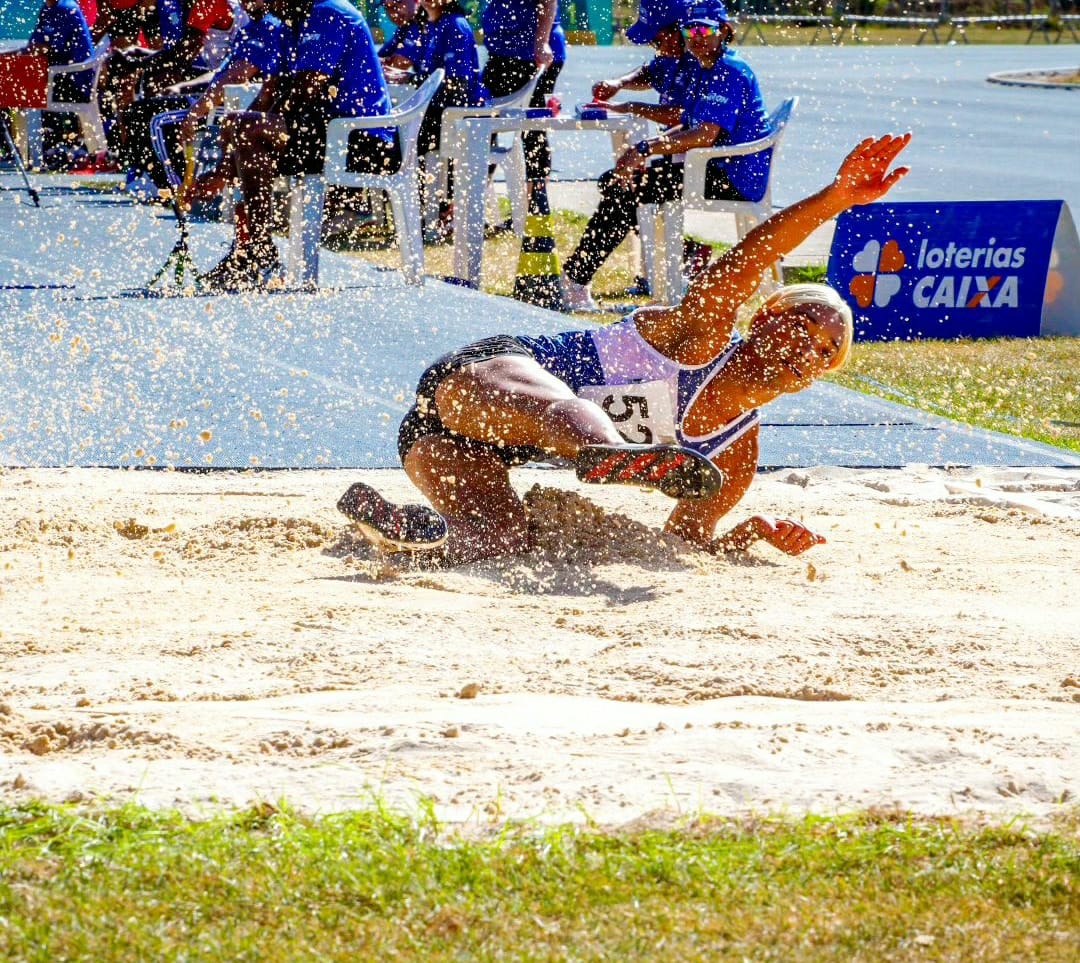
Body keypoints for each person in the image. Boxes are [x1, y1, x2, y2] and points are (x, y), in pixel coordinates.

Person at [335, 133, 911, 565]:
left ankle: (393, 530)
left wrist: (753, 531)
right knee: (565, 415)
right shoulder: (698, 336)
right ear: (763, 317)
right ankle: (608, 451)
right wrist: (834, 199)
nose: (808, 348)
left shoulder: (733, 455)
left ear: (818, 377)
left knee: (499, 539)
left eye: (826, 350)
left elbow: (684, 546)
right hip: (479, 384)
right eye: (803, 326)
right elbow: (753, 255)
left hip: (447, 443)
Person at [561, 0, 768, 312]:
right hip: (713, 166)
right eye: (690, 29)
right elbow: (689, 123)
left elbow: (702, 134)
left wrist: (644, 148)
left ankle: (576, 279)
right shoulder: (706, 64)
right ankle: (675, 261)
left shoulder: (727, 71)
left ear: (724, 31)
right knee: (619, 183)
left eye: (703, 29)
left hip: (733, 176)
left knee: (626, 189)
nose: (695, 36)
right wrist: (643, 150)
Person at [189, 0, 396, 292]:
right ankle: (254, 250)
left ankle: (257, 251)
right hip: (324, 131)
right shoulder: (291, 23)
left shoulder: (329, 12)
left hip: (361, 139)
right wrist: (224, 167)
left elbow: (307, 88)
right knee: (240, 125)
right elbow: (268, 94)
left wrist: (252, 127)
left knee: (248, 128)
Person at [382, 0, 482, 240]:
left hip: (458, 118)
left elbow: (456, 87)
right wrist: (408, 78)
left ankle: (428, 213)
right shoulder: (429, 25)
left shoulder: (455, 25)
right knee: (392, 133)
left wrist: (415, 84)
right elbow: (427, 75)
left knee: (399, 140)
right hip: (437, 112)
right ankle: (415, 212)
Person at [480, 0, 562, 190]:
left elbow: (548, 2)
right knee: (483, 121)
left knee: (533, 127)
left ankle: (536, 208)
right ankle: (475, 201)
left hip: (533, 55)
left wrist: (541, 42)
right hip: (502, 53)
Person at [378, 0, 426, 72]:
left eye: (398, 3)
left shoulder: (422, 24)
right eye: (387, 7)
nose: (392, 14)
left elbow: (397, 66)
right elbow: (375, 58)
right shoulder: (405, 26)